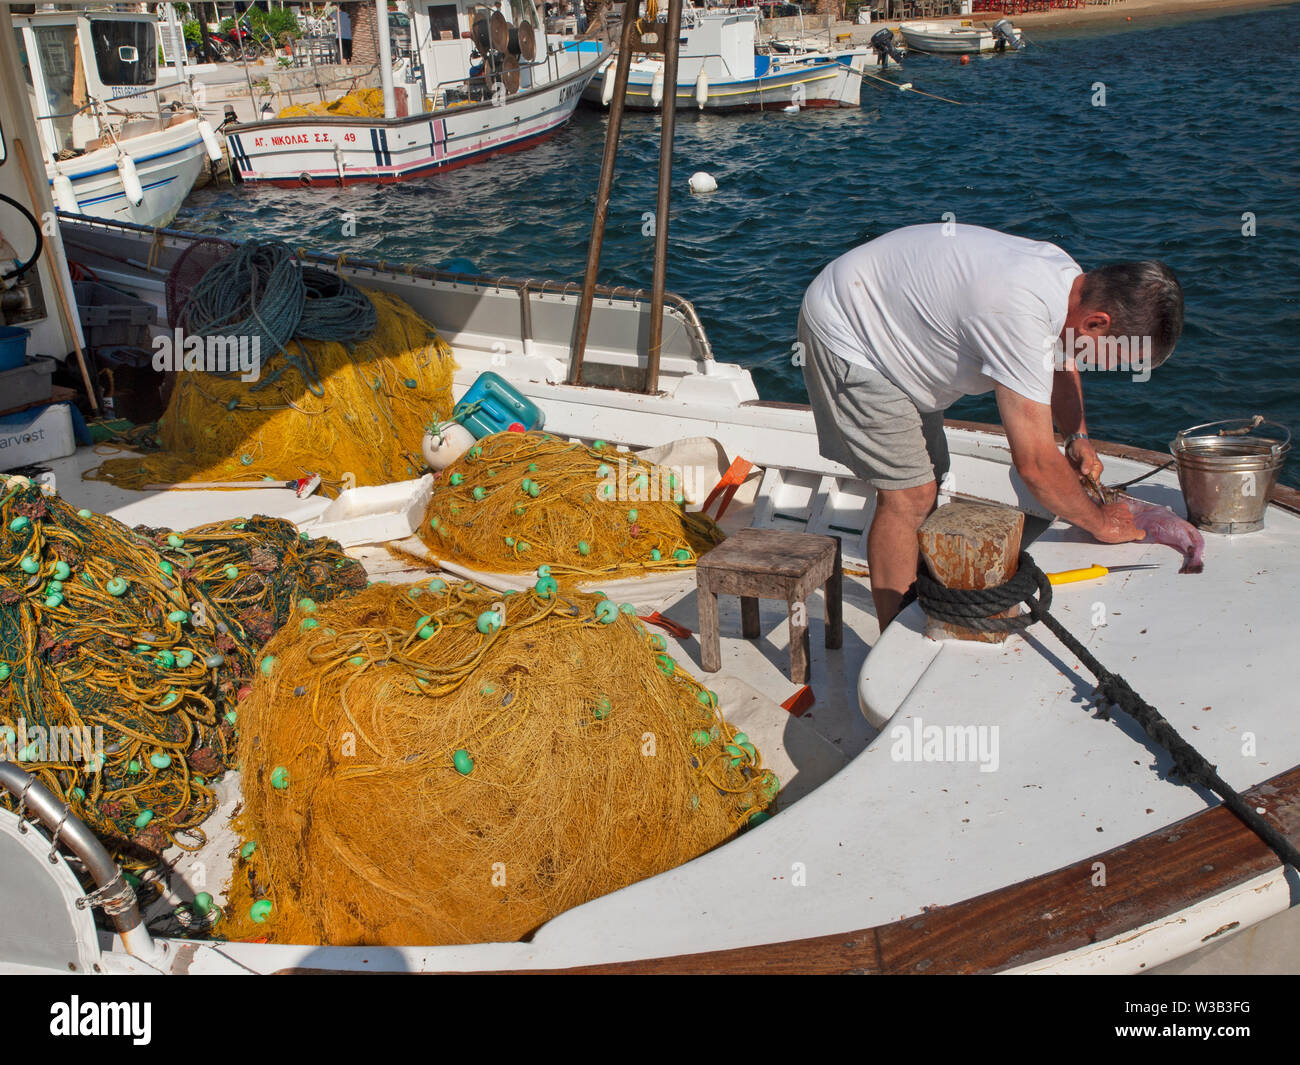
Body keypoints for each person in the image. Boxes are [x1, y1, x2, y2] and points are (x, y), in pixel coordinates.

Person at [799, 223, 1184, 627]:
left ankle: (914, 587)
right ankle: (894, 632)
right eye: (1117, 358)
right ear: (1097, 323)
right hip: (850, 332)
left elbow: (1060, 357)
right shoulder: (1018, 314)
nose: (1110, 368)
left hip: (893, 319)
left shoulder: (1069, 282)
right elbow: (1034, 464)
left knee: (932, 473)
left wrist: (1077, 436)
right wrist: (1102, 523)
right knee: (910, 495)